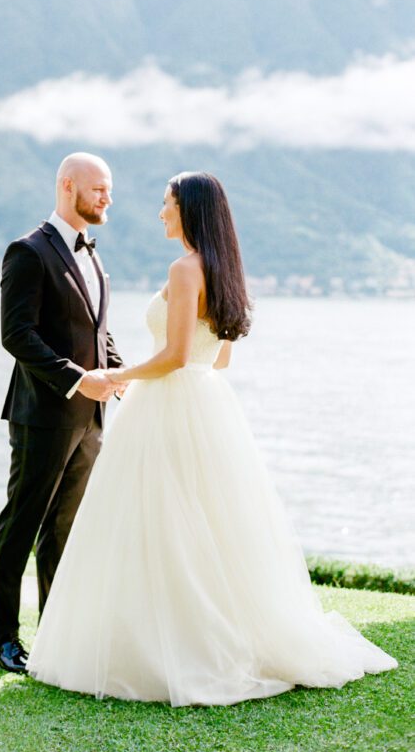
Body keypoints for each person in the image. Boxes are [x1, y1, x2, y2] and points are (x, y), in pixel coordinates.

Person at [26, 171, 397, 705]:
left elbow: (176, 356)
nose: (160, 213)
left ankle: (171, 644)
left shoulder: (183, 270)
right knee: (207, 524)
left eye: (166, 203)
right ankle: (212, 632)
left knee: (162, 522)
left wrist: (118, 377)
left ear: (189, 211)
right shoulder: (224, 270)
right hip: (209, 403)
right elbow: (216, 357)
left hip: (170, 403)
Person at [0, 152, 124, 674]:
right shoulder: (27, 251)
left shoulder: (93, 255)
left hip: (90, 420)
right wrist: (75, 378)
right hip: (42, 414)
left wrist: (121, 374)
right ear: (68, 186)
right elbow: (16, 334)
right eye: (99, 188)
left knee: (64, 529)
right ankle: (0, 640)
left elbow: (98, 331)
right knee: (21, 524)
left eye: (109, 189)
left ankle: (56, 635)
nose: (107, 198)